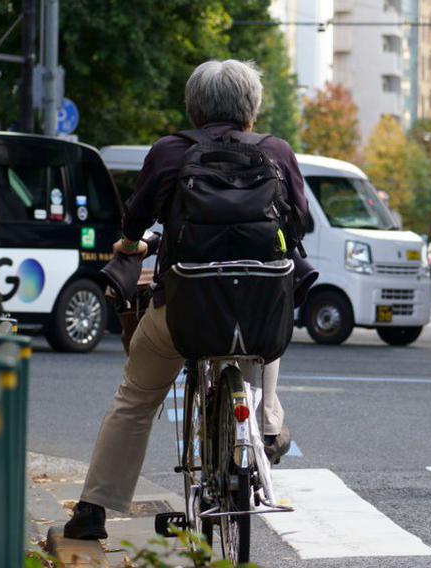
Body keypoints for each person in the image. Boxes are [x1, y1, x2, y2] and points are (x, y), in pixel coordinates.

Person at [64, 60, 307, 539]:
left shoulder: (171, 152)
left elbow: (135, 223)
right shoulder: (276, 151)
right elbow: (298, 222)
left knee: (135, 397)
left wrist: (132, 246)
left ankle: (93, 511)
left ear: (194, 108)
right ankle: (267, 417)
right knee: (266, 328)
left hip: (186, 311)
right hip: (258, 313)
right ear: (251, 109)